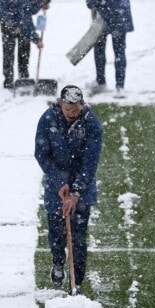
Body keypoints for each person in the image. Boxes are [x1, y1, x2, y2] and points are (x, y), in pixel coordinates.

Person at [34, 85, 103, 290]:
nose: (72, 114)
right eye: (67, 110)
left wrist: (76, 192)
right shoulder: (48, 119)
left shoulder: (92, 124)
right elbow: (41, 154)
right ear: (60, 104)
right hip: (57, 186)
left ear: (82, 105)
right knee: (56, 231)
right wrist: (59, 182)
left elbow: (91, 162)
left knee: (78, 237)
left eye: (75, 110)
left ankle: (77, 281)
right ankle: (57, 262)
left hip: (82, 187)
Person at [0, 0, 57, 89]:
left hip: (21, 9)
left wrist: (44, 2)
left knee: (24, 44)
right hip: (7, 10)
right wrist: (36, 39)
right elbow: (25, 21)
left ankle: (24, 76)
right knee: (10, 43)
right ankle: (8, 80)